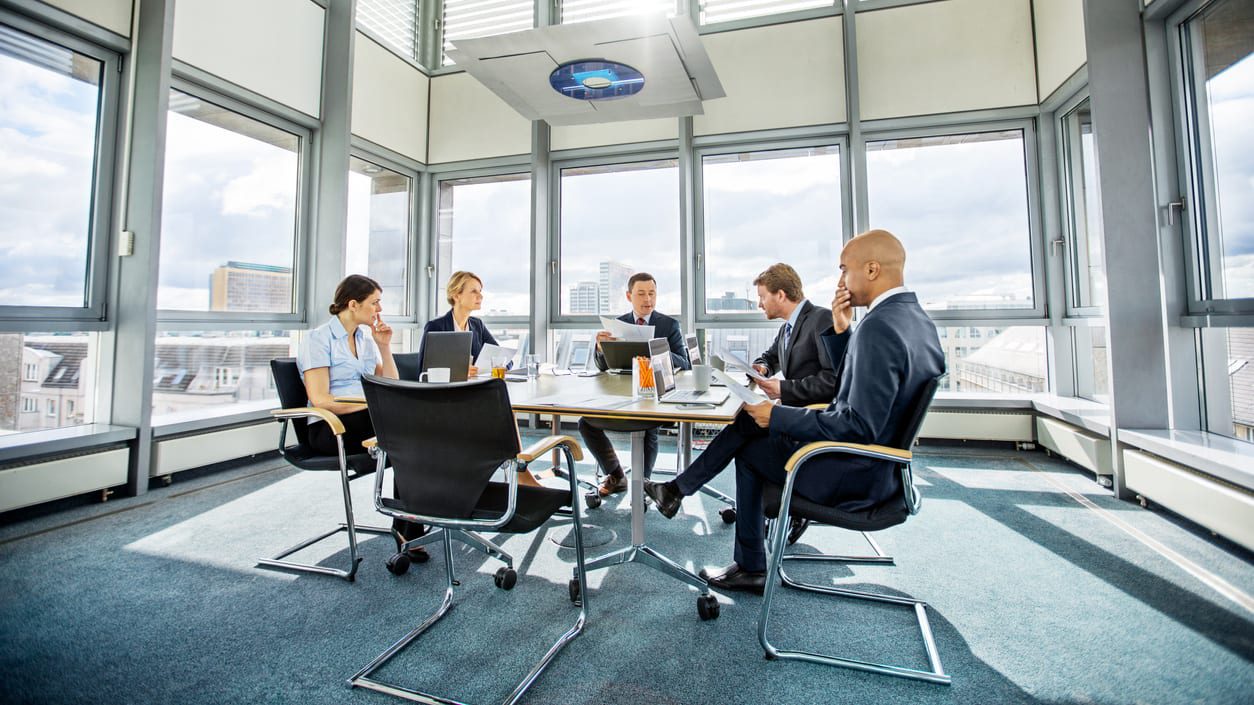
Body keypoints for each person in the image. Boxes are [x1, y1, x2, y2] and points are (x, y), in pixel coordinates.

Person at [670, 230, 943, 594]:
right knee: (752, 431)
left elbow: (855, 423)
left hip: (859, 475)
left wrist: (778, 416)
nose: (840, 281)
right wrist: (844, 330)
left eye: (845, 270)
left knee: (750, 453)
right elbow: (856, 390)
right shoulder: (914, 320)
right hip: (886, 470)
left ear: (873, 269)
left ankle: (750, 565)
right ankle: (706, 516)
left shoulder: (879, 327)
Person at [644, 263, 837, 543]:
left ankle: (676, 491)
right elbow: (771, 357)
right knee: (744, 422)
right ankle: (676, 491)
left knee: (744, 426)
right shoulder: (789, 328)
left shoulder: (821, 319)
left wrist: (784, 388)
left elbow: (834, 382)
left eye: (762, 297)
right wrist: (761, 368)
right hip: (795, 414)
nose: (759, 303)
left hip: (809, 423)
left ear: (780, 295)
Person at [298, 274, 426, 559]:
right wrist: (373, 403)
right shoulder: (318, 339)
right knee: (409, 430)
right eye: (375, 303)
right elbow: (321, 400)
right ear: (353, 304)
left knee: (414, 435)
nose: (379, 310)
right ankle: (410, 526)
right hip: (330, 429)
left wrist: (383, 345)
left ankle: (410, 524)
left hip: (367, 420)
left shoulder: (366, 340)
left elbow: (390, 383)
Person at [582, 272, 690, 497]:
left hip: (652, 395)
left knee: (648, 425)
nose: (647, 299)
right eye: (641, 294)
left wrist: (659, 353)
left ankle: (644, 484)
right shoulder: (618, 324)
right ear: (629, 296)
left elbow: (685, 364)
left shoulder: (669, 325)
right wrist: (601, 349)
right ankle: (616, 475)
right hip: (619, 395)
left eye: (652, 293)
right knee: (586, 423)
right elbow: (602, 367)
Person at [417, 271, 504, 378]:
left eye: (480, 291)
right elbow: (424, 371)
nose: (480, 296)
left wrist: (503, 364)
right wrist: (458, 371)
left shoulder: (478, 325)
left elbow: (501, 356)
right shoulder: (435, 327)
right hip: (446, 391)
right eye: (473, 291)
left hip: (474, 388)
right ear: (457, 296)